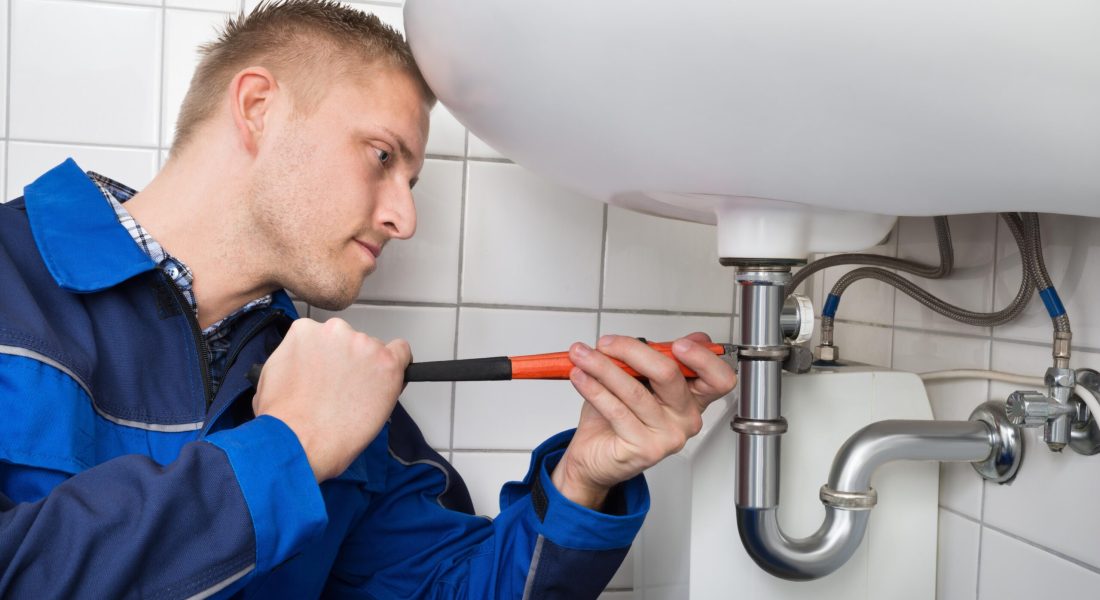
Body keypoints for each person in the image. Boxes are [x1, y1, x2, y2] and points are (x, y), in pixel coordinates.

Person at [0, 1, 736, 597]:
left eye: (410, 183)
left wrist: (583, 481)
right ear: (258, 107)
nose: (404, 219)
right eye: (382, 157)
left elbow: (446, 589)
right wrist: (289, 449)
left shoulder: (334, 388)